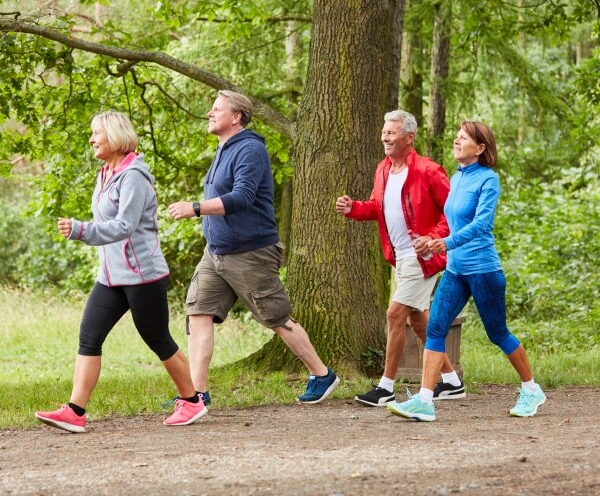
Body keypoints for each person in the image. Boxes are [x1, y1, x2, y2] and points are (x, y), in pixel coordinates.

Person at [35, 110, 207, 433]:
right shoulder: (106, 173)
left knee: (157, 338)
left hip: (143, 276)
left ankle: (193, 402)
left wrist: (81, 230)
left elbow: (125, 225)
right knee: (89, 335)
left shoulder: (134, 177)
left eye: (96, 133)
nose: (91, 139)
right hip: (111, 277)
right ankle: (75, 411)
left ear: (114, 136)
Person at [168, 90, 339, 404]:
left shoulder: (249, 149)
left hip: (250, 252)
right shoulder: (224, 148)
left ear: (236, 117)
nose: (209, 113)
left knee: (276, 318)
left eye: (216, 108)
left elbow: (242, 197)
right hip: (215, 252)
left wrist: (195, 207)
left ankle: (322, 374)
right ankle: (196, 396)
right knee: (198, 313)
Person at [388, 121, 546, 421]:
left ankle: (531, 388)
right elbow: (449, 220)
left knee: (497, 333)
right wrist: (432, 240)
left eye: (464, 138)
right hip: (456, 269)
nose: (457, 141)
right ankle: (424, 400)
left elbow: (482, 224)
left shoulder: (488, 180)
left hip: (483, 269)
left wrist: (445, 243)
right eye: (457, 136)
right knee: (435, 328)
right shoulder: (457, 178)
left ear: (481, 148)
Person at [336, 109, 464, 407]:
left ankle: (386, 386)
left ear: (409, 137)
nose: (385, 136)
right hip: (400, 258)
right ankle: (453, 382)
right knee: (419, 322)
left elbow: (453, 213)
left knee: (395, 315)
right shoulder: (382, 169)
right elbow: (377, 207)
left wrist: (433, 239)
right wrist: (353, 208)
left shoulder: (429, 171)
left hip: (424, 259)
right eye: (384, 132)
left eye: (391, 132)